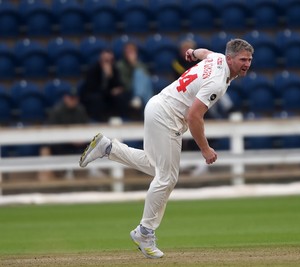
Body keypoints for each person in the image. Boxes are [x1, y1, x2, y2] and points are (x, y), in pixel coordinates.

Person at [79, 39, 254, 259]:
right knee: (167, 177)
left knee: (155, 167)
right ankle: (145, 231)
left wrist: (191, 52)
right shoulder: (217, 81)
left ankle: (108, 147)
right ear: (230, 59)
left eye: (249, 59)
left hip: (157, 105)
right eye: (243, 59)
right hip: (167, 117)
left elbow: (204, 52)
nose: (247, 64)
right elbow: (194, 117)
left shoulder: (217, 57)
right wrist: (205, 149)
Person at [39, 87, 90, 180]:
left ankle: (94, 170)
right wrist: (70, 139)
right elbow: (52, 131)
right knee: (47, 146)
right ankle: (53, 173)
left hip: (79, 141)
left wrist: (81, 138)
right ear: (65, 98)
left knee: (95, 142)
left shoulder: (81, 110)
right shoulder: (57, 111)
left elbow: (86, 127)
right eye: (71, 98)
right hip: (61, 142)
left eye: (75, 98)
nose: (73, 100)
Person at [80, 49, 130, 122]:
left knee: (121, 96)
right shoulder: (93, 70)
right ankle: (96, 121)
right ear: (101, 60)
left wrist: (111, 77)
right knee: (96, 98)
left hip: (109, 95)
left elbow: (119, 85)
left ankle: (122, 119)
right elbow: (92, 88)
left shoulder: (114, 69)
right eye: (106, 60)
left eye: (110, 60)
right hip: (96, 94)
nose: (108, 63)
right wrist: (109, 90)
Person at [117, 42, 154, 121]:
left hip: (141, 92)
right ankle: (150, 110)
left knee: (143, 77)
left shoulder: (140, 65)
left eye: (132, 52)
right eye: (128, 52)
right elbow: (124, 82)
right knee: (139, 73)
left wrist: (134, 64)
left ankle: (138, 98)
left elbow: (146, 80)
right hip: (128, 89)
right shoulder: (120, 66)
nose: (130, 54)